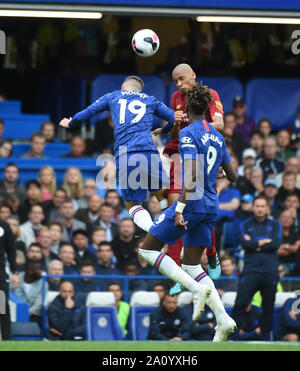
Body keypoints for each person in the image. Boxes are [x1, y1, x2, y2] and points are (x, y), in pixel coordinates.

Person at [139, 83, 237, 341]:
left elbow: (191, 180)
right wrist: (213, 172)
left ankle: (194, 290)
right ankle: (223, 319)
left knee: (147, 250)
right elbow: (234, 175)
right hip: (211, 207)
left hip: (191, 204)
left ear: (186, 108)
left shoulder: (187, 133)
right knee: (192, 265)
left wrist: (180, 208)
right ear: (207, 109)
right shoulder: (217, 136)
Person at [59, 75, 182, 234]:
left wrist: (71, 122)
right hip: (148, 153)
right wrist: (163, 130)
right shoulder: (150, 99)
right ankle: (174, 236)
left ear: (124, 87)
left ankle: (153, 232)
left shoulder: (113, 96)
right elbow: (173, 118)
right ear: (140, 90)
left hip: (126, 155)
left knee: (133, 204)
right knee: (163, 196)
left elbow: (89, 111)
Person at [153, 63, 224, 282]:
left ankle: (211, 253)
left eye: (182, 79)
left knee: (200, 206)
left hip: (202, 153)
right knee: (178, 207)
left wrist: (196, 128)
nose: (180, 84)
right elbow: (174, 133)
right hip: (180, 153)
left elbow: (219, 124)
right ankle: (177, 272)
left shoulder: (210, 95)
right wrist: (174, 124)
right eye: (176, 81)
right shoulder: (175, 98)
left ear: (193, 75)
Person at [230, 194, 282, 340]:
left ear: (267, 208)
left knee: (268, 307)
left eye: (262, 206)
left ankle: (265, 339)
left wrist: (254, 244)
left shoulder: (276, 224)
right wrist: (263, 242)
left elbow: (275, 244)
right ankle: (231, 338)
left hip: (269, 272)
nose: (259, 209)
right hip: (250, 271)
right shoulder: (244, 224)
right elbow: (245, 244)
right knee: (240, 304)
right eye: (257, 206)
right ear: (253, 207)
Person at [0, 219, 18, 340]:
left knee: (2, 305)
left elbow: (11, 249)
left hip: (0, 272)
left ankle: (7, 339)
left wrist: (14, 272)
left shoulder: (4, 226)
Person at [14, 260, 43, 325]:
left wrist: (26, 312)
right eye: (36, 269)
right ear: (28, 270)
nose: (39, 272)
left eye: (40, 269)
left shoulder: (43, 283)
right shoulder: (17, 278)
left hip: (33, 313)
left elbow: (38, 304)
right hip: (16, 310)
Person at [278, 209, 300, 275]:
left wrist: (284, 246)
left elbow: (296, 249)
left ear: (292, 221)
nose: (286, 219)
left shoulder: (296, 234)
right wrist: (291, 249)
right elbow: (277, 252)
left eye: (288, 218)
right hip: (279, 264)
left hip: (295, 265)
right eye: (284, 217)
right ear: (279, 219)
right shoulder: (275, 235)